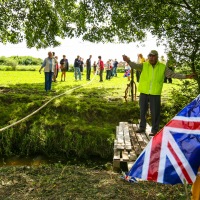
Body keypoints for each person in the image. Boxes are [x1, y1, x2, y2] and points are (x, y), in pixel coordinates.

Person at [122, 50, 195, 136]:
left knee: (155, 112)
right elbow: (134, 66)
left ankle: (154, 130)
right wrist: (128, 61)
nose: (151, 58)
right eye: (150, 56)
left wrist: (186, 76)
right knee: (142, 111)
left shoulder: (162, 67)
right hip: (144, 92)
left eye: (153, 56)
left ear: (157, 57)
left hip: (155, 93)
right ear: (148, 57)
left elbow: (173, 74)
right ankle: (142, 127)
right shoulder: (144, 65)